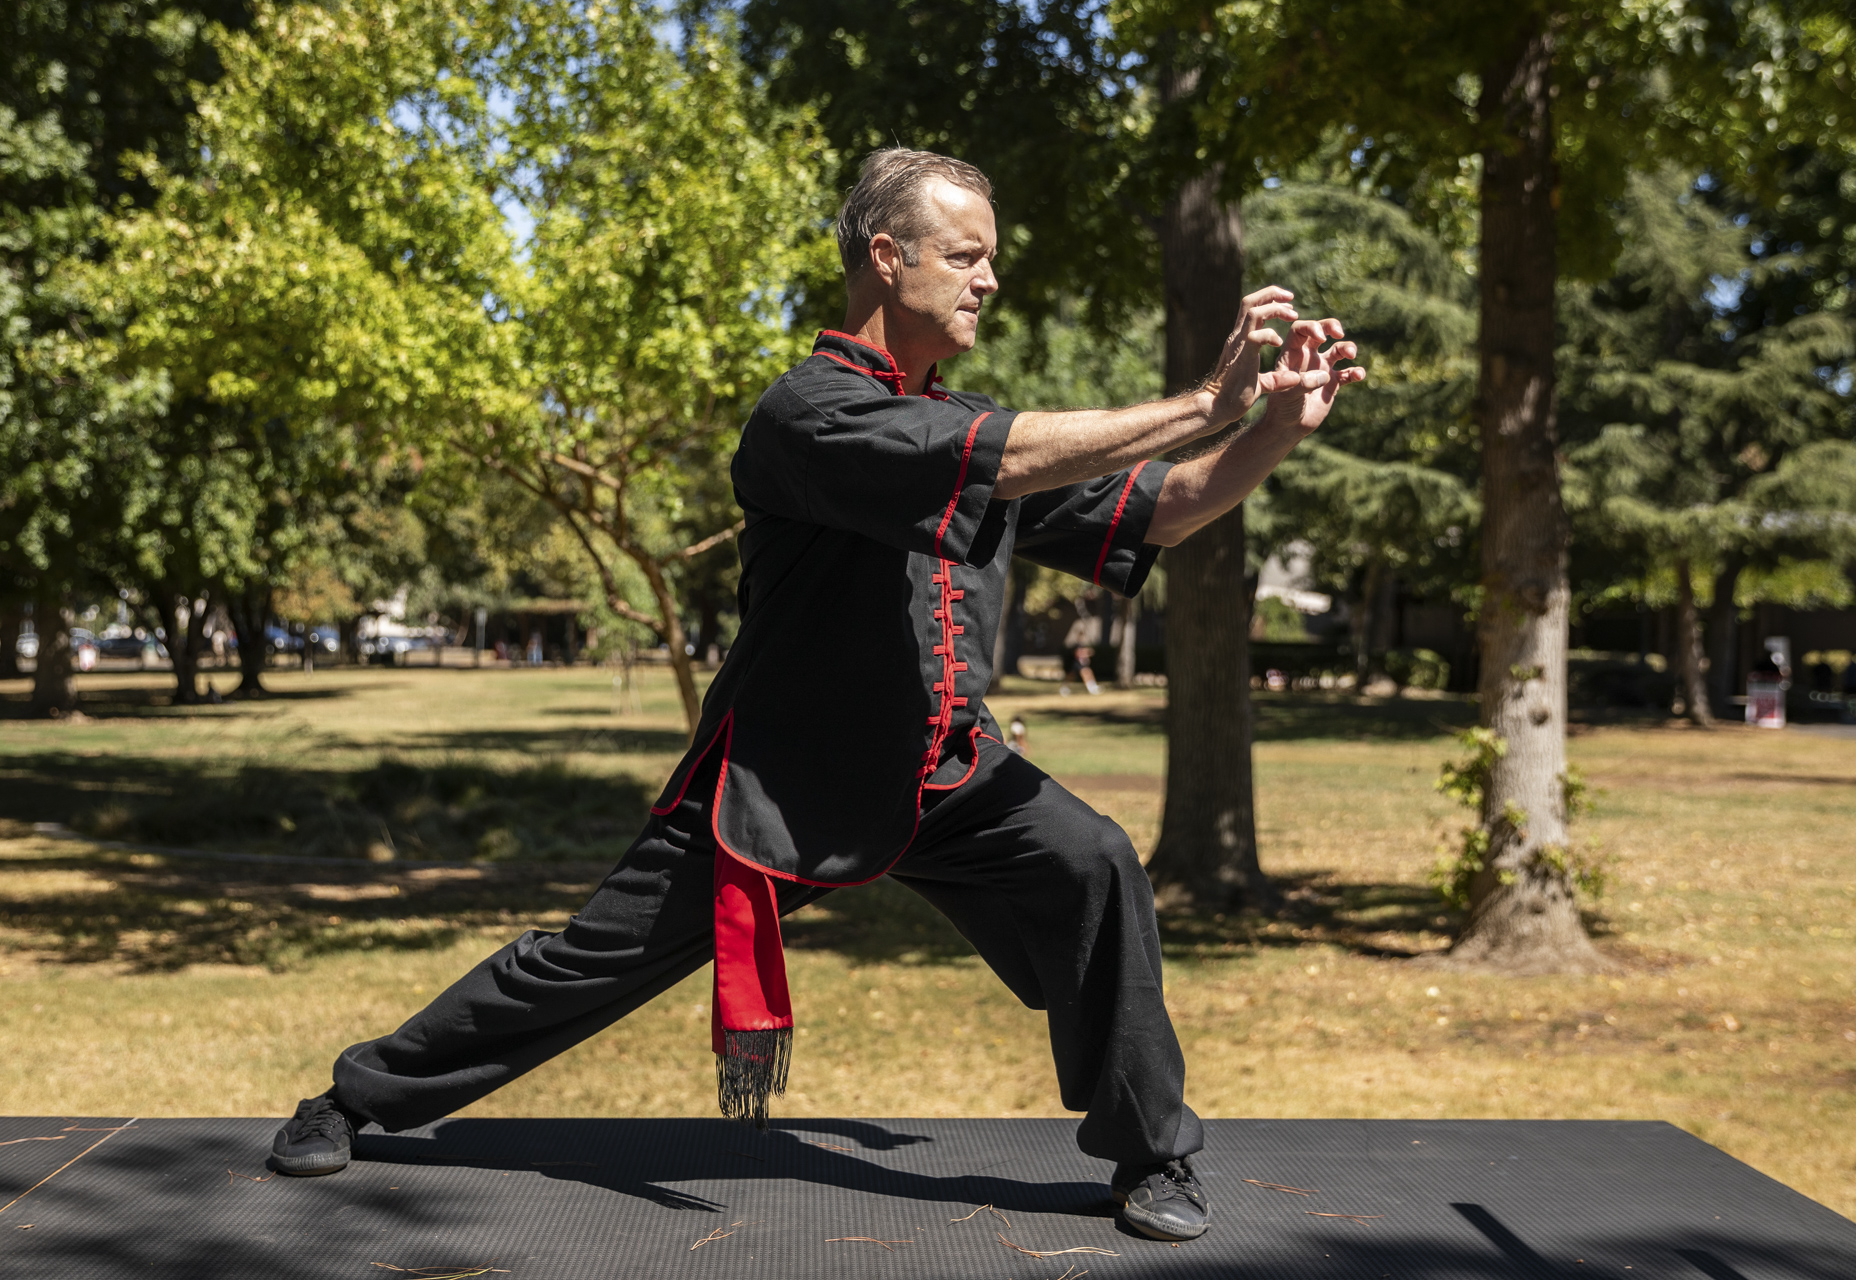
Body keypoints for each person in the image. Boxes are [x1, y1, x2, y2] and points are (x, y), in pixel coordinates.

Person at [268, 148, 1362, 1245]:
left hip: (944, 769)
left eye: (993, 260)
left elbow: (1162, 510)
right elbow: (998, 458)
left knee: (1093, 863)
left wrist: (1267, 427)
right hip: (779, 784)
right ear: (887, 258)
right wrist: (1201, 400)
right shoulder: (809, 414)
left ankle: (1151, 1157)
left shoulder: (975, 432)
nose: (990, 281)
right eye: (965, 255)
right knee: (584, 962)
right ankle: (357, 1095)